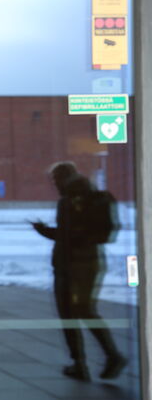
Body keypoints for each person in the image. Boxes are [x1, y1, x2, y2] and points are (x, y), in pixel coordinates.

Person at [31, 161, 126, 382]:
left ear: (62, 178)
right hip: (88, 262)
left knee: (72, 314)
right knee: (84, 311)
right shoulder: (88, 196)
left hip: (70, 266)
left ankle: (83, 363)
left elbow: (68, 237)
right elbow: (71, 234)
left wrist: (46, 231)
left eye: (54, 179)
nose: (54, 184)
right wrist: (45, 230)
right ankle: (105, 357)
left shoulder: (69, 200)